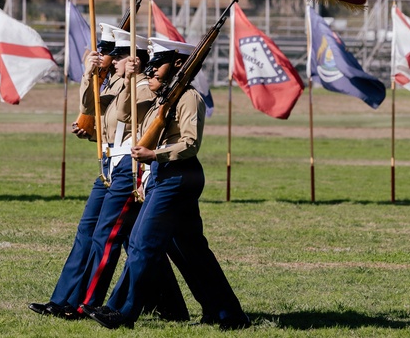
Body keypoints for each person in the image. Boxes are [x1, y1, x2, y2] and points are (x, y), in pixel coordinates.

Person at [83, 37, 250, 330]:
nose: (150, 70)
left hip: (179, 175)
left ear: (178, 65)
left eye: (157, 64)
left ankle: (121, 311)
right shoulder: (161, 98)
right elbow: (124, 115)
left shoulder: (189, 98)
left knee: (142, 242)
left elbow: (190, 143)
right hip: (164, 175)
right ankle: (227, 313)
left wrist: (154, 155)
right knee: (192, 251)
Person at [29, 26, 187, 322]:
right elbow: (91, 110)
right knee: (92, 233)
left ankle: (83, 303)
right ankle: (64, 299)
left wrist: (129, 80)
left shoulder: (143, 87)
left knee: (114, 237)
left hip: (129, 166)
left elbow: (128, 119)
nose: (110, 61)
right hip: (110, 165)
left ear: (134, 58)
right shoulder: (117, 83)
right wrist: (89, 76)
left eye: (116, 56)